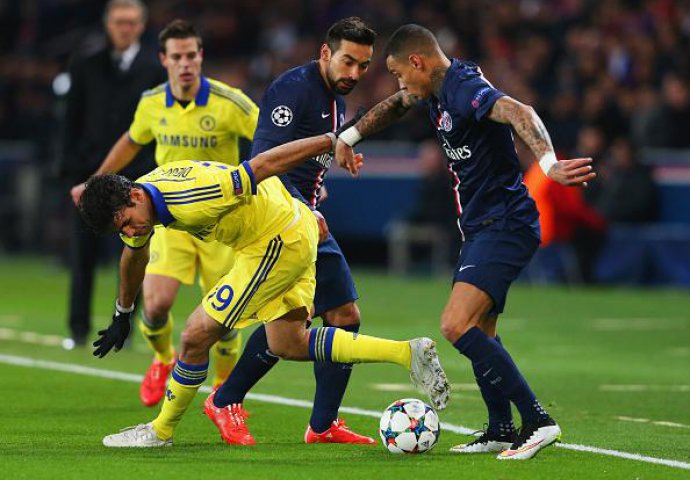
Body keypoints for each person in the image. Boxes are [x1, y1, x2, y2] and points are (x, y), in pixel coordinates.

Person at [77, 134, 450, 448]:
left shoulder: (192, 196)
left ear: (135, 197)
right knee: (288, 343)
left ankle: (160, 431)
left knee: (194, 336)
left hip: (274, 241)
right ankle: (407, 352)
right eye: (121, 230)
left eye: (127, 223)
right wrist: (123, 312)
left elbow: (263, 165)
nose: (130, 231)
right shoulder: (143, 194)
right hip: (289, 228)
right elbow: (134, 255)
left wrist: (332, 141)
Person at [335, 24, 595, 460]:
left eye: (399, 74)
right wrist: (349, 137)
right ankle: (500, 427)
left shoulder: (463, 89)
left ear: (417, 61)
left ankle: (538, 420)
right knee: (481, 330)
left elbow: (521, 111)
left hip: (504, 224)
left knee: (455, 325)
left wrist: (548, 163)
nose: (400, 84)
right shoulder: (435, 89)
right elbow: (397, 105)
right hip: (481, 227)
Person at [70, 19, 259, 406]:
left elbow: (269, 139)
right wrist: (95, 183)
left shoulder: (231, 102)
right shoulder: (152, 102)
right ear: (164, 59)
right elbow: (132, 140)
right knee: (155, 307)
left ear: (201, 56)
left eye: (191, 55)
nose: (185, 63)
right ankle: (162, 359)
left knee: (225, 321)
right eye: (177, 57)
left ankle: (224, 390)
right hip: (165, 219)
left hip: (218, 222)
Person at [209, 17, 377, 446]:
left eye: (363, 65)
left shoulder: (334, 95)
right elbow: (263, 162)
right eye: (347, 61)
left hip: (306, 217)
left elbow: (309, 154)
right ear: (325, 53)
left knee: (343, 316)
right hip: (280, 219)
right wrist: (304, 207)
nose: (354, 73)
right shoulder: (293, 90)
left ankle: (322, 425)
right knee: (291, 326)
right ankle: (225, 399)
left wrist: (333, 164)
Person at [57, 0, 165, 350]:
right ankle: (77, 328)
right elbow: (71, 120)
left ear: (141, 25)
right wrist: (70, 170)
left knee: (136, 250)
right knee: (82, 254)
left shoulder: (154, 68)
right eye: (120, 21)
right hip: (89, 173)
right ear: (108, 24)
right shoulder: (85, 63)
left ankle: (125, 328)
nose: (125, 28)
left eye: (131, 22)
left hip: (136, 179)